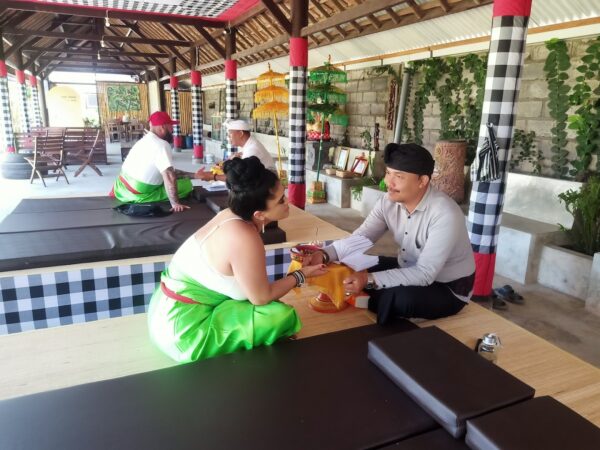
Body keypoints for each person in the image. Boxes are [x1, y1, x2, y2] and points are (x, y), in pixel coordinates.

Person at [148, 156, 327, 363]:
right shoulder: (244, 236)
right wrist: (300, 275)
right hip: (184, 331)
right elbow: (261, 297)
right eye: (281, 200)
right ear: (259, 214)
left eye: (284, 194)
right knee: (279, 315)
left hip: (163, 310)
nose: (288, 202)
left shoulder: (229, 214)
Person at [305, 143, 475, 323]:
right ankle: (368, 297)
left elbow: (425, 273)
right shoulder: (388, 202)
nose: (388, 182)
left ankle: (373, 299)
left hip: (446, 286)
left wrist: (369, 280)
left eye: (398, 176)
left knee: (399, 299)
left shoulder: (445, 214)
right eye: (388, 173)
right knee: (349, 266)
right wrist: (324, 254)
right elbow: (362, 238)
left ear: (422, 181)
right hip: (408, 267)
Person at [110, 111, 203, 212]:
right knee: (185, 185)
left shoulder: (145, 140)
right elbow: (169, 175)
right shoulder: (162, 145)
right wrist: (175, 203)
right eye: (170, 126)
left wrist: (195, 175)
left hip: (121, 188)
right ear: (163, 127)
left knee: (174, 180)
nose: (172, 130)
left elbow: (168, 170)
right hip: (138, 193)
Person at [197, 119, 276, 181]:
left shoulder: (252, 150)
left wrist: (213, 177)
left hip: (267, 188)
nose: (228, 137)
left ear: (241, 133)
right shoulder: (248, 145)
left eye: (230, 134)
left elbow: (238, 178)